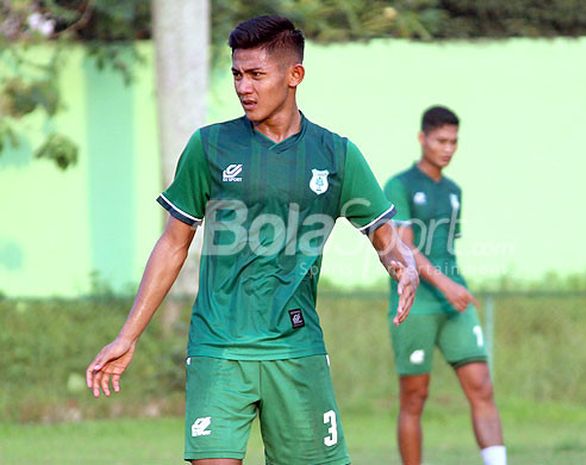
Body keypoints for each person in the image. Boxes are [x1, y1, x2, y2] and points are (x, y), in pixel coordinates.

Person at [86, 15, 418, 465]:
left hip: (295, 348)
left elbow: (383, 234)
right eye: (237, 74)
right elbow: (173, 243)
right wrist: (128, 336)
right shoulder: (209, 146)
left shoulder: (336, 155)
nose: (244, 87)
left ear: (294, 75)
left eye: (257, 74)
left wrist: (402, 262)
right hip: (219, 347)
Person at [384, 106, 506, 465]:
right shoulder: (400, 185)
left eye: (454, 141)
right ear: (422, 139)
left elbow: (446, 247)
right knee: (414, 397)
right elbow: (403, 246)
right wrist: (447, 285)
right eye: (440, 140)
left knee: (482, 386)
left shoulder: (454, 191)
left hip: (453, 304)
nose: (448, 148)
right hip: (415, 304)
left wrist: (454, 287)